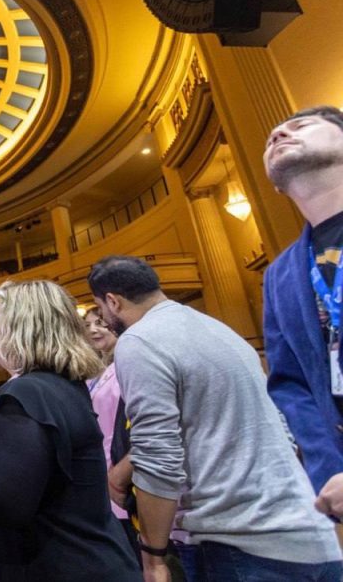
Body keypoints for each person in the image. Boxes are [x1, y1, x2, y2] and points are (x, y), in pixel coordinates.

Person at [89, 255, 341, 582]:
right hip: (308, 529)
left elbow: (158, 455)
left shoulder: (139, 340)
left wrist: (153, 557)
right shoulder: (219, 329)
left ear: (112, 301)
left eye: (101, 309)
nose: (105, 320)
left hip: (237, 542)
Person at [0, 280, 140, 581]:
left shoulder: (25, 395)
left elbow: (0, 504)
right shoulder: (65, 386)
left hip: (56, 567)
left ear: (21, 327)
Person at [262, 105, 343, 518]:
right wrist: (330, 470)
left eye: (301, 126)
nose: (279, 135)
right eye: (271, 137)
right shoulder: (279, 275)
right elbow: (291, 384)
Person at [84, 307, 137, 557]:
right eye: (88, 325)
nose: (93, 329)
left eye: (100, 323)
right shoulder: (97, 373)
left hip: (124, 475)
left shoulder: (128, 363)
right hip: (100, 477)